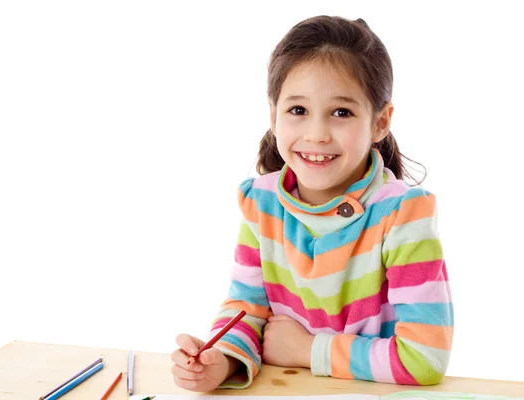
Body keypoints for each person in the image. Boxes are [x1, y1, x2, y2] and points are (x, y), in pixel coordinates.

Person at [170, 15, 453, 391]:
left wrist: (308, 350)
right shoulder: (261, 203)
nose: (316, 135)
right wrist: (220, 359)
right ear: (273, 115)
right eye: (298, 111)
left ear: (380, 122)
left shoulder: (402, 215)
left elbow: (424, 358)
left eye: (341, 112)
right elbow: (247, 309)